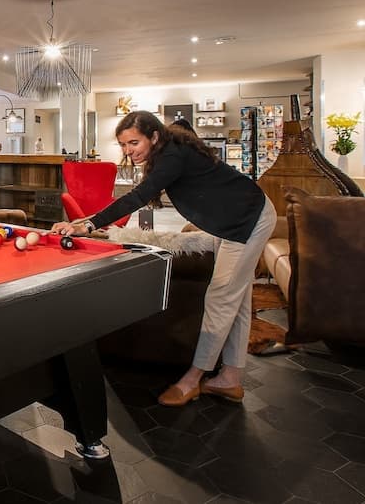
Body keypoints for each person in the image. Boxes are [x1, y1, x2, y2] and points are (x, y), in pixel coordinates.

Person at [51, 111, 276, 407]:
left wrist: (90, 224)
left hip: (248, 220)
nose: (128, 151)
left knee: (221, 298)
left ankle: (192, 380)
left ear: (154, 136)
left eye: (134, 142)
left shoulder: (172, 155)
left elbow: (138, 196)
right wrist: (87, 221)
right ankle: (230, 379)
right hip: (232, 221)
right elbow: (183, 127)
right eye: (123, 145)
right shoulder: (170, 145)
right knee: (238, 299)